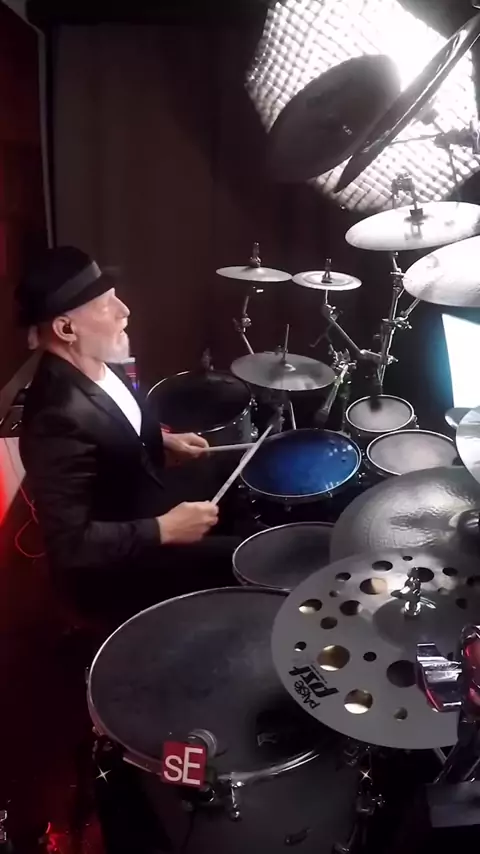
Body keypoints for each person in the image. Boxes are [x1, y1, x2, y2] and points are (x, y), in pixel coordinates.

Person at [17, 246, 242, 618]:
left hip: (138, 493)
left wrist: (162, 440)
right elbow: (71, 545)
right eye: (106, 304)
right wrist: (164, 529)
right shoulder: (55, 418)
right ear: (66, 328)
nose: (125, 310)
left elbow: (114, 427)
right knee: (247, 559)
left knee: (231, 483)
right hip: (119, 567)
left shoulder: (100, 359)